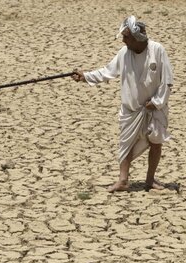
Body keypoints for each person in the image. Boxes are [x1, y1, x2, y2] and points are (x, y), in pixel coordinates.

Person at [72, 16, 173, 192]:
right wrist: (85, 76)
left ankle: (150, 180)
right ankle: (123, 181)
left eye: (126, 37)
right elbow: (107, 72)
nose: (123, 40)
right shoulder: (124, 54)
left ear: (136, 39)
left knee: (156, 142)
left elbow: (167, 81)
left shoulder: (157, 50)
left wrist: (156, 102)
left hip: (154, 108)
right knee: (125, 144)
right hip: (131, 110)